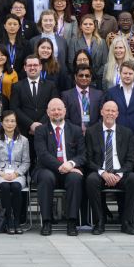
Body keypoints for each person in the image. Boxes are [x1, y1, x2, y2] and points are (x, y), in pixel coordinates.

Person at [84, 100, 134, 235]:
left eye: (113, 111)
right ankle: (99, 222)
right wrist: (103, 173)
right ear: (101, 112)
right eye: (107, 110)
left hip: (119, 172)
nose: (110, 113)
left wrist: (119, 174)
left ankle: (126, 222)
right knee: (91, 180)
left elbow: (130, 160)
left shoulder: (127, 133)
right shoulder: (91, 132)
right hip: (100, 172)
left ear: (117, 114)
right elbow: (88, 159)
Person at [35, 98, 86, 232]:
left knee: (75, 179)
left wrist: (70, 163)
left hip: (70, 170)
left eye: (59, 109)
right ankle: (46, 221)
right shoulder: (41, 130)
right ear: (47, 112)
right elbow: (43, 154)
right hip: (47, 169)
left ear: (65, 111)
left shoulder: (75, 130)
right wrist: (61, 166)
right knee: (46, 178)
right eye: (53, 109)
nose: (56, 112)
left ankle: (72, 221)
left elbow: (82, 155)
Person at [0, 110, 30, 235]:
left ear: (16, 123)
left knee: (16, 187)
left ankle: (17, 221)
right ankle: (8, 220)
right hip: (0, 174)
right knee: (5, 186)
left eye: (12, 121)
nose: (10, 124)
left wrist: (16, 174)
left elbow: (26, 162)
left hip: (17, 173)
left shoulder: (24, 140)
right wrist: (1, 173)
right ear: (2, 123)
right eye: (7, 121)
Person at [9, 55, 58, 138]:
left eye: (35, 65)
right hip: (24, 131)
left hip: (46, 130)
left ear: (40, 67)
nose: (32, 68)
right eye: (29, 65)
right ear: (25, 68)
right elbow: (14, 108)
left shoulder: (50, 85)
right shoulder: (17, 86)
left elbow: (53, 107)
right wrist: (31, 124)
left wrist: (40, 126)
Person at [103, 61, 134, 134]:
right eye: (125, 73)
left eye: (130, 73)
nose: (127, 76)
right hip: (117, 133)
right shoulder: (111, 92)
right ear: (120, 74)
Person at [61, 64, 103, 133]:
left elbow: (102, 117)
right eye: (81, 75)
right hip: (74, 135)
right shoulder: (66, 95)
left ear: (90, 77)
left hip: (94, 134)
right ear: (75, 77)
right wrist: (77, 131)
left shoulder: (99, 94)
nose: (84, 78)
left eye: (87, 76)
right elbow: (65, 118)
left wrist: (92, 131)